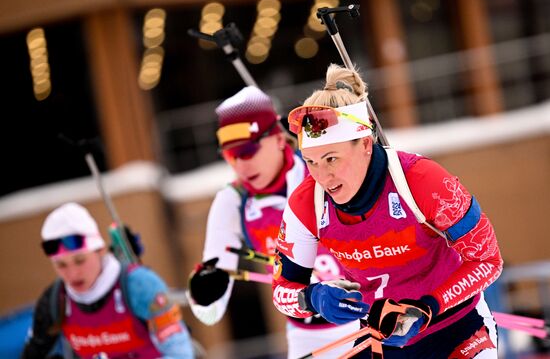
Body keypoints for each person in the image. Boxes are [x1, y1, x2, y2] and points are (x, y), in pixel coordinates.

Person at [271, 64, 503, 358]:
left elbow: (487, 261)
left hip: (457, 328)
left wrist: (429, 307)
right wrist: (311, 298)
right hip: (382, 339)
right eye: (311, 162)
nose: (322, 176)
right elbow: (282, 291)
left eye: (331, 159)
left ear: (366, 144)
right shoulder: (307, 204)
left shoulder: (422, 180)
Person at [187, 86, 360, 358]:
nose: (241, 166)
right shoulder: (233, 202)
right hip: (309, 336)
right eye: (231, 155)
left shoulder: (320, 170)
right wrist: (204, 292)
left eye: (248, 150)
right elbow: (209, 315)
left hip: (370, 317)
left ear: (279, 137)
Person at [21, 202, 194, 359]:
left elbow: (180, 353)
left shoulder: (139, 285)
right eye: (61, 265)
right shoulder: (54, 300)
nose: (72, 274)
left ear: (100, 250)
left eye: (80, 260)